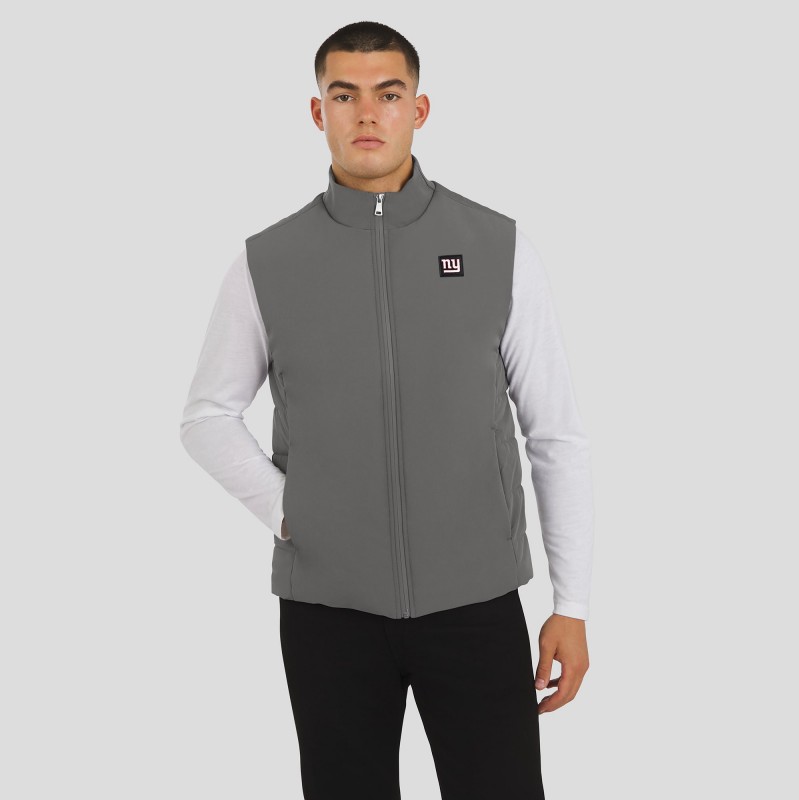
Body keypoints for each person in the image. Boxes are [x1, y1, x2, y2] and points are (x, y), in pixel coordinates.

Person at [180, 20, 594, 800]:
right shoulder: (267, 261)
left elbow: (555, 433)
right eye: (344, 95)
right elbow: (206, 417)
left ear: (419, 109)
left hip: (476, 604)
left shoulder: (498, 247)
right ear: (319, 112)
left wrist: (571, 605)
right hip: (328, 612)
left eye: (388, 94)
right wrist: (292, 512)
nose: (367, 113)